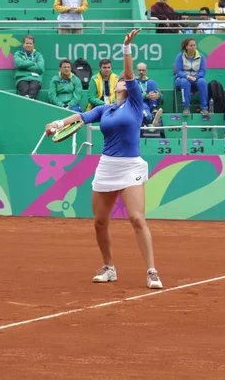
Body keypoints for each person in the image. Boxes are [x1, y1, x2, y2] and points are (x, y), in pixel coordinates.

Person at [44, 29, 163, 290]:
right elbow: (79, 118)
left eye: (124, 79)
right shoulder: (104, 110)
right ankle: (109, 267)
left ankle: (152, 271)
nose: (123, 80)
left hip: (130, 165)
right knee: (99, 222)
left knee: (136, 218)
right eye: (121, 80)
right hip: (107, 166)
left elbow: (130, 73)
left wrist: (126, 48)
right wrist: (56, 123)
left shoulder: (134, 102)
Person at [174, 38, 209, 117]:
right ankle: (186, 108)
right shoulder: (180, 56)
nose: (193, 47)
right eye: (191, 45)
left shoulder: (201, 56)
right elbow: (178, 71)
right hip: (182, 78)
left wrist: (196, 77)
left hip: (196, 78)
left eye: (194, 45)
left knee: (202, 82)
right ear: (186, 47)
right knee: (184, 82)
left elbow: (203, 71)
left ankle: (204, 108)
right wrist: (187, 76)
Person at [13, 35, 45, 99]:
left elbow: (40, 68)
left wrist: (24, 66)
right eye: (27, 43)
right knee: (24, 90)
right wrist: (33, 63)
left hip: (35, 79)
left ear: (33, 45)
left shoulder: (38, 55)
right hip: (22, 78)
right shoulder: (17, 54)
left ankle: (28, 99)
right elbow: (19, 64)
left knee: (33, 89)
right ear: (23, 44)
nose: (28, 45)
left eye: (30, 43)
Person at [136, 62, 163, 127]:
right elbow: (133, 97)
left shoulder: (151, 82)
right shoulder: (134, 82)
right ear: (136, 71)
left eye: (143, 70)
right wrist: (146, 96)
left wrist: (159, 96)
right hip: (140, 103)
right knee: (146, 113)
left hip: (151, 103)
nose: (141, 72)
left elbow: (161, 96)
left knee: (151, 83)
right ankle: (152, 119)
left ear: (146, 71)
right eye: (139, 70)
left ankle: (154, 110)